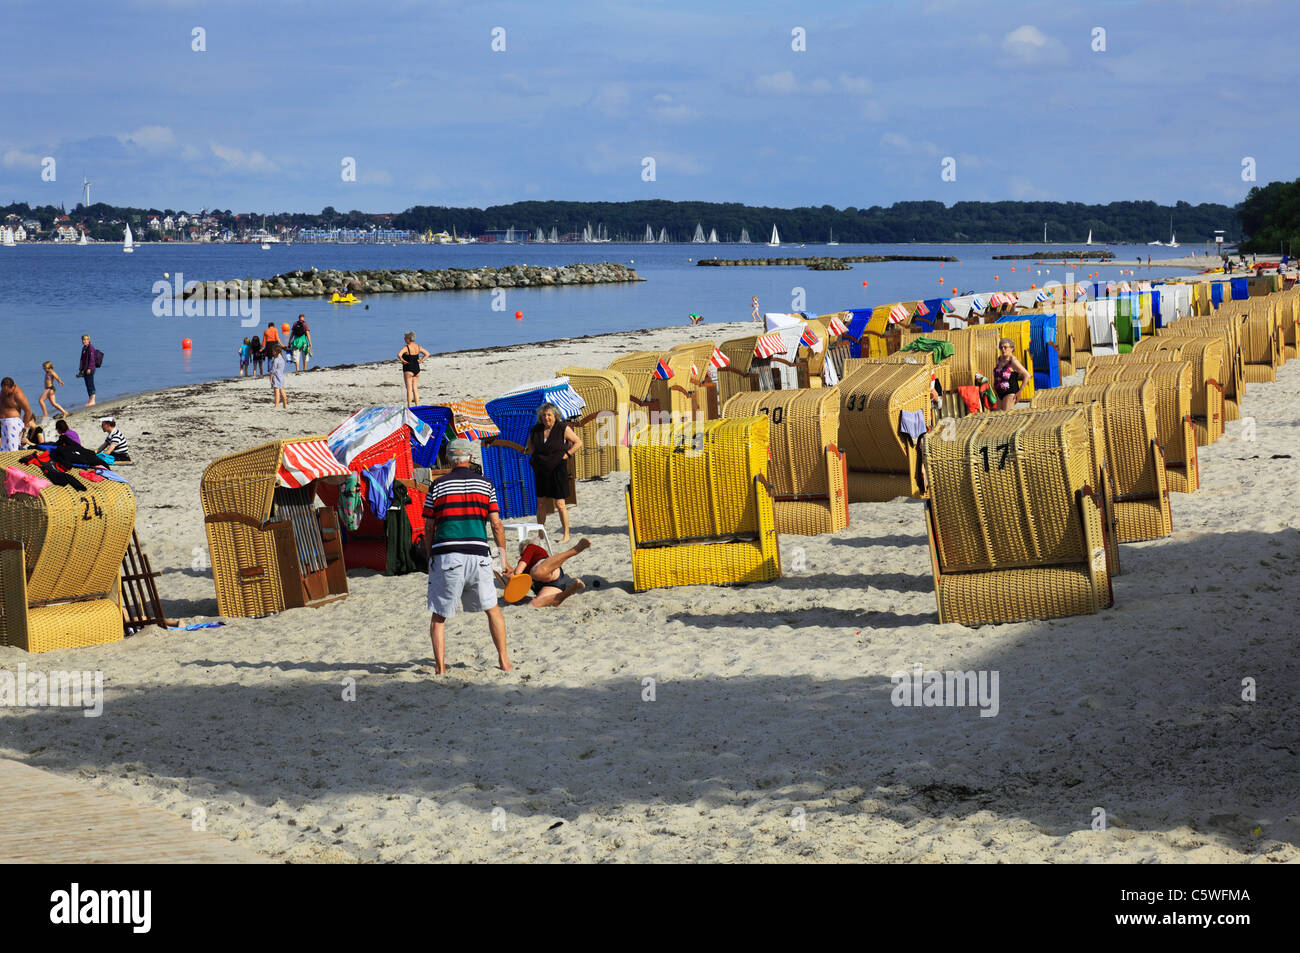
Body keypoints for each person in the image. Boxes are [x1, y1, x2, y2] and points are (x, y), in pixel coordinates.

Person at [423, 438, 512, 674]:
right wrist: (503, 560)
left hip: (447, 555)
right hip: (478, 554)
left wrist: (430, 555)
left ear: (449, 460)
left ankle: (440, 668)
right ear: (470, 458)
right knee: (492, 609)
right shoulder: (486, 485)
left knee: (439, 616)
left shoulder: (437, 485)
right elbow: (496, 525)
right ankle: (504, 661)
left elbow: (429, 526)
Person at [524, 402, 582, 542]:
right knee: (541, 503)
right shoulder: (536, 429)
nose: (546, 418)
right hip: (541, 469)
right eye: (544, 415)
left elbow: (578, 442)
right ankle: (541, 533)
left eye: (549, 415)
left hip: (557, 469)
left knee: (560, 504)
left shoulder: (562, 428)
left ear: (555, 416)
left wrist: (567, 455)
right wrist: (524, 450)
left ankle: (566, 534)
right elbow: (530, 448)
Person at [508, 536, 590, 607]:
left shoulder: (531, 547)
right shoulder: (528, 562)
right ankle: (571, 590)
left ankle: (575, 550)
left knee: (536, 573)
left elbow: (518, 572)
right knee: (534, 603)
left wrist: (510, 578)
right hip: (554, 584)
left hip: (550, 572)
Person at [992, 338, 1030, 411]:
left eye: (1005, 347)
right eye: (1001, 347)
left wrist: (1019, 392)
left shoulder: (1013, 361)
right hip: (999, 392)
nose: (1003, 349)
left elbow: (1027, 375)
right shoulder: (1000, 359)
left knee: (1006, 416)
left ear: (1012, 348)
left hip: (1009, 392)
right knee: (998, 417)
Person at [0, 377, 35, 452]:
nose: (5, 393)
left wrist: (24, 426)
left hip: (12, 423)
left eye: (7, 391)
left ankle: (12, 463)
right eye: (3, 390)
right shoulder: (4, 390)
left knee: (11, 449)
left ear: (12, 387)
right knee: (3, 449)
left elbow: (28, 411)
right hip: (2, 423)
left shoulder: (18, 394)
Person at [398, 331, 430, 405]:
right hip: (416, 368)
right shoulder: (418, 347)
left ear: (408, 339)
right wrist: (421, 360)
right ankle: (417, 405)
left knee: (409, 389)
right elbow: (427, 354)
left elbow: (399, 354)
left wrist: (403, 360)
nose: (404, 339)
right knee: (415, 389)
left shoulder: (406, 347)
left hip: (408, 368)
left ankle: (409, 406)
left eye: (405, 338)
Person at [77, 334, 102, 407]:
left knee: (90, 384)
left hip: (90, 369)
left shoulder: (90, 348)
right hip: (85, 369)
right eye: (83, 340)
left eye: (85, 339)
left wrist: (89, 368)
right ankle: (90, 400)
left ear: (89, 340)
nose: (84, 341)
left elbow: (92, 359)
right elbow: (82, 360)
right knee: (87, 384)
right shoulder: (84, 348)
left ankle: (93, 400)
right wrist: (81, 370)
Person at [269, 342, 288, 409]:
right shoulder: (282, 359)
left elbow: (273, 370)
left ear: (276, 351)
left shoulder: (276, 360)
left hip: (276, 378)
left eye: (273, 351)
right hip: (281, 377)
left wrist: (270, 378)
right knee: (282, 391)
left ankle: (276, 406)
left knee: (277, 393)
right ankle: (285, 406)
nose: (272, 352)